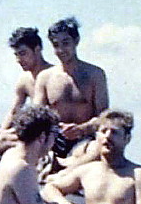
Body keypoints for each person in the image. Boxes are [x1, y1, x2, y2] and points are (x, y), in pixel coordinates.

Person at [34, 16, 109, 169]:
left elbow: (104, 117)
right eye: (56, 45)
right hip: (52, 140)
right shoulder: (45, 77)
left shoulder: (95, 74)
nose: (61, 50)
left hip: (84, 141)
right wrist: (53, 132)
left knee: (96, 148)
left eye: (65, 43)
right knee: (3, 142)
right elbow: (36, 116)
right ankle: (54, 163)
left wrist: (82, 129)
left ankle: (61, 165)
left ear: (76, 41)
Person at [0, 27, 52, 156]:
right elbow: (14, 111)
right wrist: (1, 131)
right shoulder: (24, 80)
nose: (19, 59)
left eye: (23, 53)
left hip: (50, 133)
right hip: (33, 130)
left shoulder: (54, 74)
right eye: (16, 54)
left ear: (37, 50)